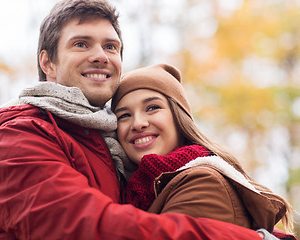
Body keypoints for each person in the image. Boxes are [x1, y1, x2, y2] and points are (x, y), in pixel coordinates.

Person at [0, 0, 291, 239]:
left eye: (111, 46)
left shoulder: (112, 150)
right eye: (81, 43)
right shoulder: (16, 137)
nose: (101, 55)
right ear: (47, 63)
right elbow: (89, 228)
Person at [111, 63, 295, 238]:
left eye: (152, 108)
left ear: (178, 117)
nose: (138, 123)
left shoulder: (203, 182)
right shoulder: (140, 189)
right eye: (124, 115)